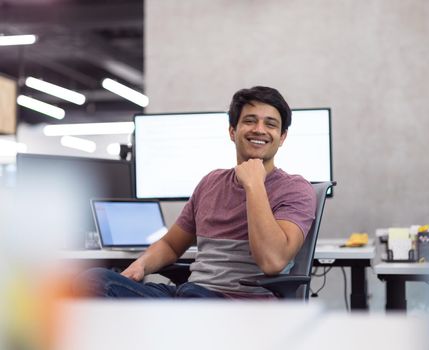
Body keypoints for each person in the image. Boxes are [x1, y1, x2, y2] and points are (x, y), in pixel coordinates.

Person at [73, 86, 316, 299]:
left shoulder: (296, 189)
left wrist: (254, 185)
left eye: (270, 124)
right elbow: (171, 245)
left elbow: (272, 262)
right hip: (190, 294)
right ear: (232, 131)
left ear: (282, 137)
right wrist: (142, 265)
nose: (259, 129)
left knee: (187, 299)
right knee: (94, 280)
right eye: (250, 120)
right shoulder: (211, 182)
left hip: (239, 304)